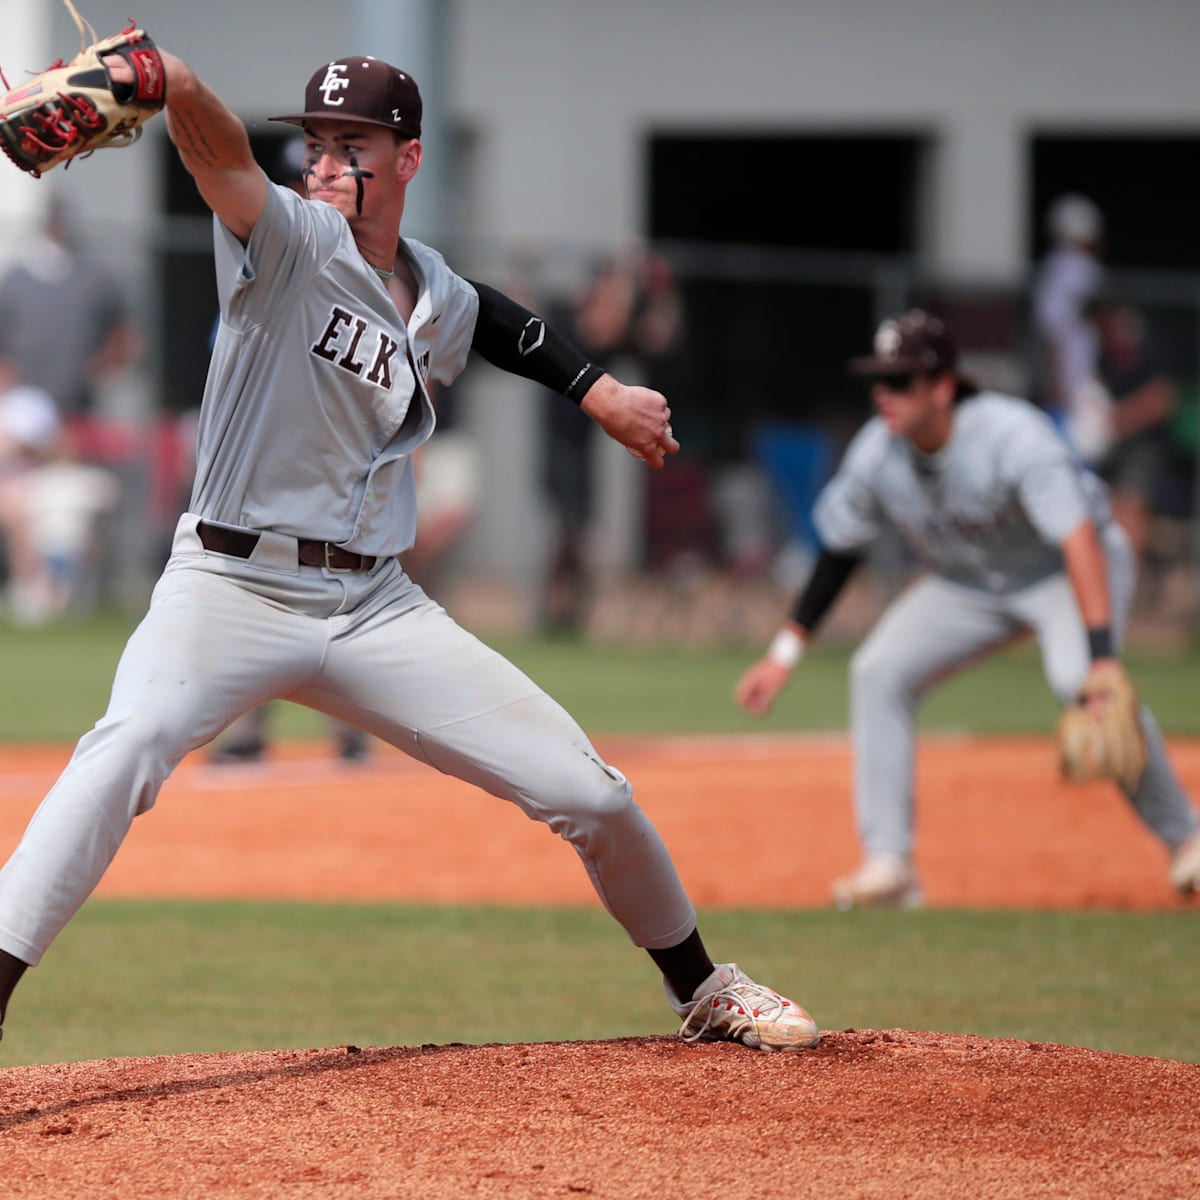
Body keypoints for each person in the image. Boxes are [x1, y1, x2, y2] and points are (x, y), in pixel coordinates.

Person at [0, 48, 817, 1053]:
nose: (329, 160)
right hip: (228, 587)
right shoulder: (288, 235)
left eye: (356, 145)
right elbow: (218, 162)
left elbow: (497, 324)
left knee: (590, 793)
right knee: (124, 747)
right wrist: (176, 80)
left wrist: (598, 391)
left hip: (376, 610)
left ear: (410, 157)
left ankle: (702, 988)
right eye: (318, 141)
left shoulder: (435, 292)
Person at [735, 310, 1200, 909]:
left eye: (901, 380)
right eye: (879, 381)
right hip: (972, 582)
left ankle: (1187, 839)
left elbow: (1079, 538)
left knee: (1082, 685)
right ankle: (890, 864)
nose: (885, 394)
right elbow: (840, 549)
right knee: (878, 671)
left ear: (944, 386)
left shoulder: (1012, 436)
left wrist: (1103, 658)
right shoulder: (878, 451)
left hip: (1066, 570)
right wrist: (784, 653)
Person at [1088, 298, 1177, 569]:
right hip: (1114, 444)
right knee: (1111, 510)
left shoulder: (1149, 348)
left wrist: (1122, 418)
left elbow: (1163, 398)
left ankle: (1130, 578)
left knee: (1130, 509)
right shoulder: (1104, 354)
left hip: (1145, 445)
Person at [1031, 193, 1109, 465]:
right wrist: (1056, 383)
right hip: (1071, 379)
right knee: (1074, 456)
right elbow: (1053, 330)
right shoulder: (1075, 269)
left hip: (1074, 377)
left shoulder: (1053, 268)